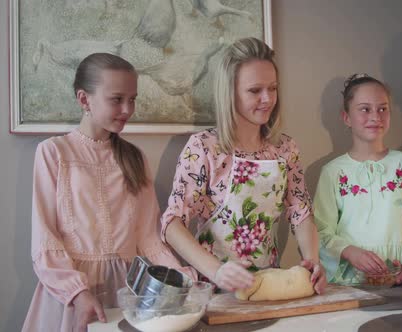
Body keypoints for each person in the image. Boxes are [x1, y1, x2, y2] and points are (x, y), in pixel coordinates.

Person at [22, 53, 198, 332]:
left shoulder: (134, 158)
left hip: (127, 293)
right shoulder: (54, 153)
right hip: (71, 298)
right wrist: (77, 292)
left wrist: (180, 277)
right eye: (117, 99)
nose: (127, 109)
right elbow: (45, 240)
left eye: (133, 99)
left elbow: (148, 239)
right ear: (84, 100)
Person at [160, 37, 327, 294]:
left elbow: (300, 211)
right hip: (213, 290)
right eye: (254, 90)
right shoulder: (204, 148)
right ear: (230, 92)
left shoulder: (285, 149)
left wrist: (313, 261)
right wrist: (216, 270)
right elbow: (172, 224)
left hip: (267, 286)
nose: (267, 98)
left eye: (272, 88)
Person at [314, 73, 402, 286]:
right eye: (365, 109)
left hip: (401, 278)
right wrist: (349, 251)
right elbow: (320, 231)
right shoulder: (332, 172)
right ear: (346, 117)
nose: (375, 116)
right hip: (351, 282)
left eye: (383, 109)